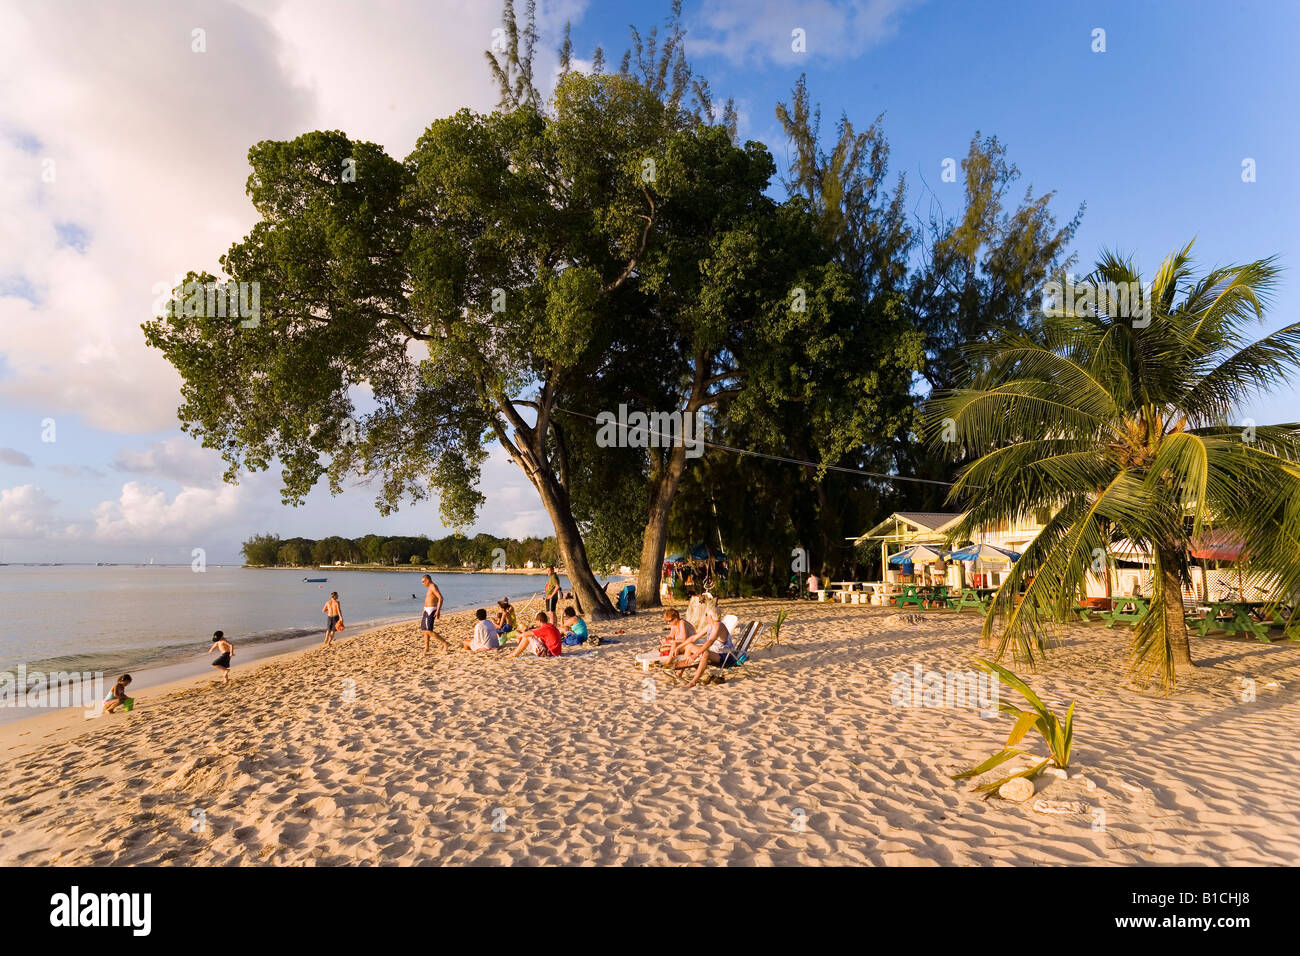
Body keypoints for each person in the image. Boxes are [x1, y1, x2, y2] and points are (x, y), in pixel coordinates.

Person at [672, 606, 733, 688]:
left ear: (710, 616)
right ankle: (679, 673)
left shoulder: (718, 625)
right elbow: (694, 637)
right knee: (689, 646)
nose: (705, 616)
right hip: (716, 653)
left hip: (725, 655)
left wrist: (695, 655)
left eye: (706, 614)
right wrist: (679, 647)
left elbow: (710, 642)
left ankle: (693, 682)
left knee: (705, 653)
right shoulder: (710, 626)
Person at [420, 574, 450, 653]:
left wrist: (438, 610)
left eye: (423, 582)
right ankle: (426, 648)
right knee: (424, 630)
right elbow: (429, 598)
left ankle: (445, 643)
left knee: (428, 631)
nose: (422, 583)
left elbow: (440, 598)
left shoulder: (433, 586)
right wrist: (424, 608)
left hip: (431, 610)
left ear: (427, 580)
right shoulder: (430, 587)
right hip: (427, 610)